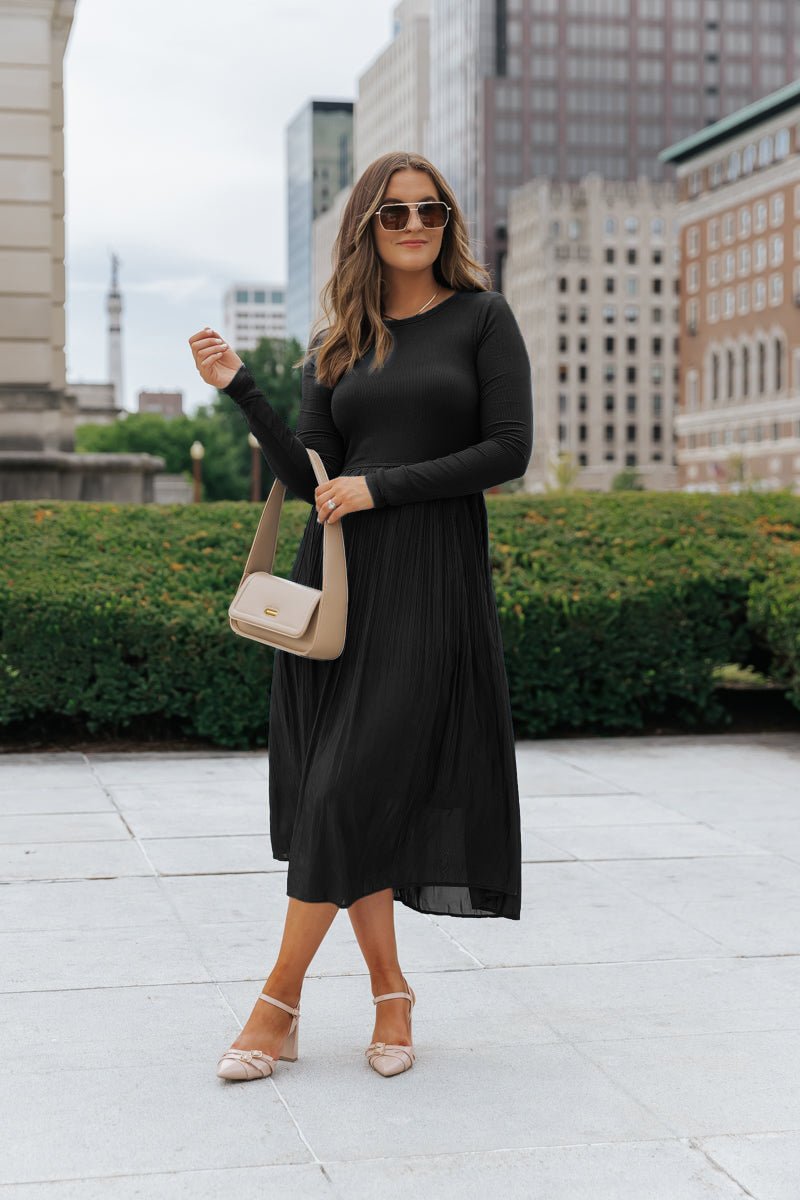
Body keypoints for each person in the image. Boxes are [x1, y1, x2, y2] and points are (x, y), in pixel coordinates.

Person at [188, 150, 534, 1082]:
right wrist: (241, 392)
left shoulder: (481, 318)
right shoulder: (340, 334)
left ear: (448, 221)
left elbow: (509, 450)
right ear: (366, 227)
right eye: (395, 213)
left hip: (431, 581)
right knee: (350, 792)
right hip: (338, 586)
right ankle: (391, 996)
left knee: (345, 785)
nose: (415, 225)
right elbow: (310, 478)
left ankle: (276, 1005)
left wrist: (381, 487)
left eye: (430, 210)